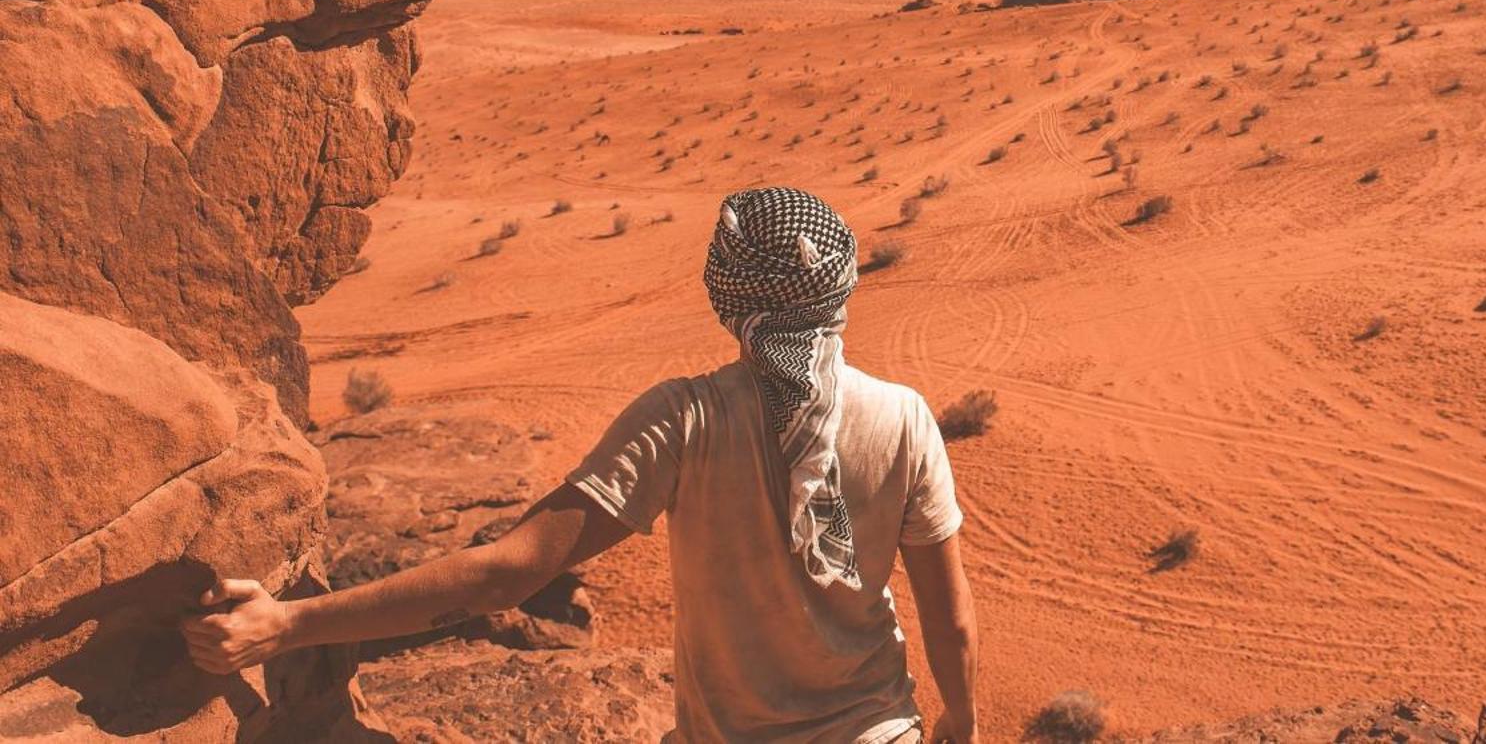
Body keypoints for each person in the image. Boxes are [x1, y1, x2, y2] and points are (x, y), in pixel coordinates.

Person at [182, 187, 978, 743]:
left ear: (726, 295)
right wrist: (961, 722)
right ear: (841, 286)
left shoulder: (685, 417)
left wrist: (287, 624)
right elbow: (949, 621)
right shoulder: (905, 418)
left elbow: (507, 572)